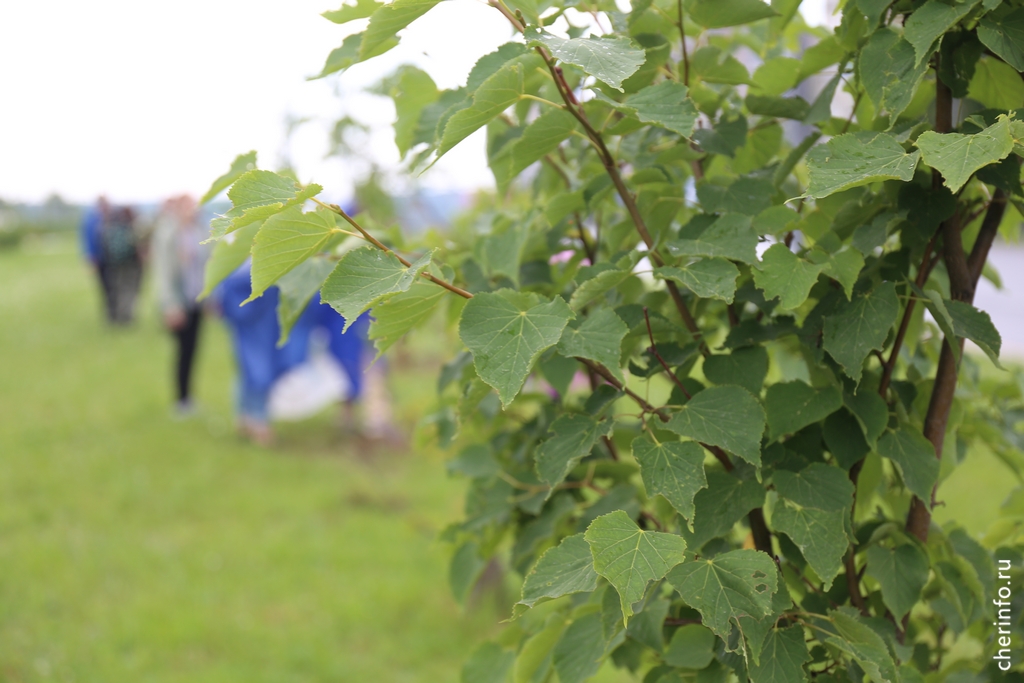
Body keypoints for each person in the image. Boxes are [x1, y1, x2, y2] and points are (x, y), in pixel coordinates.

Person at [151, 195, 209, 414]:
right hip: (178, 301)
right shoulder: (168, 234)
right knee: (183, 350)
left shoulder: (200, 231)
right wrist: (169, 305)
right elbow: (163, 273)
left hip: (197, 299)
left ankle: (189, 398)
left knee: (193, 349)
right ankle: (181, 399)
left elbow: (208, 262)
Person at [100, 205, 143, 324]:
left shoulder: (111, 227)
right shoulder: (132, 227)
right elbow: (137, 245)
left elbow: (104, 245)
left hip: (115, 264)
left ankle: (116, 315)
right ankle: (126, 317)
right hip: (131, 263)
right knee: (129, 289)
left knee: (117, 289)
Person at [79, 196, 113, 321]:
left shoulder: (111, 217)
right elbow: (87, 240)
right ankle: (109, 313)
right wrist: (90, 258)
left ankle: (114, 312)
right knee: (104, 287)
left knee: (113, 286)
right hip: (99, 259)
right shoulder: (91, 220)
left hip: (112, 259)